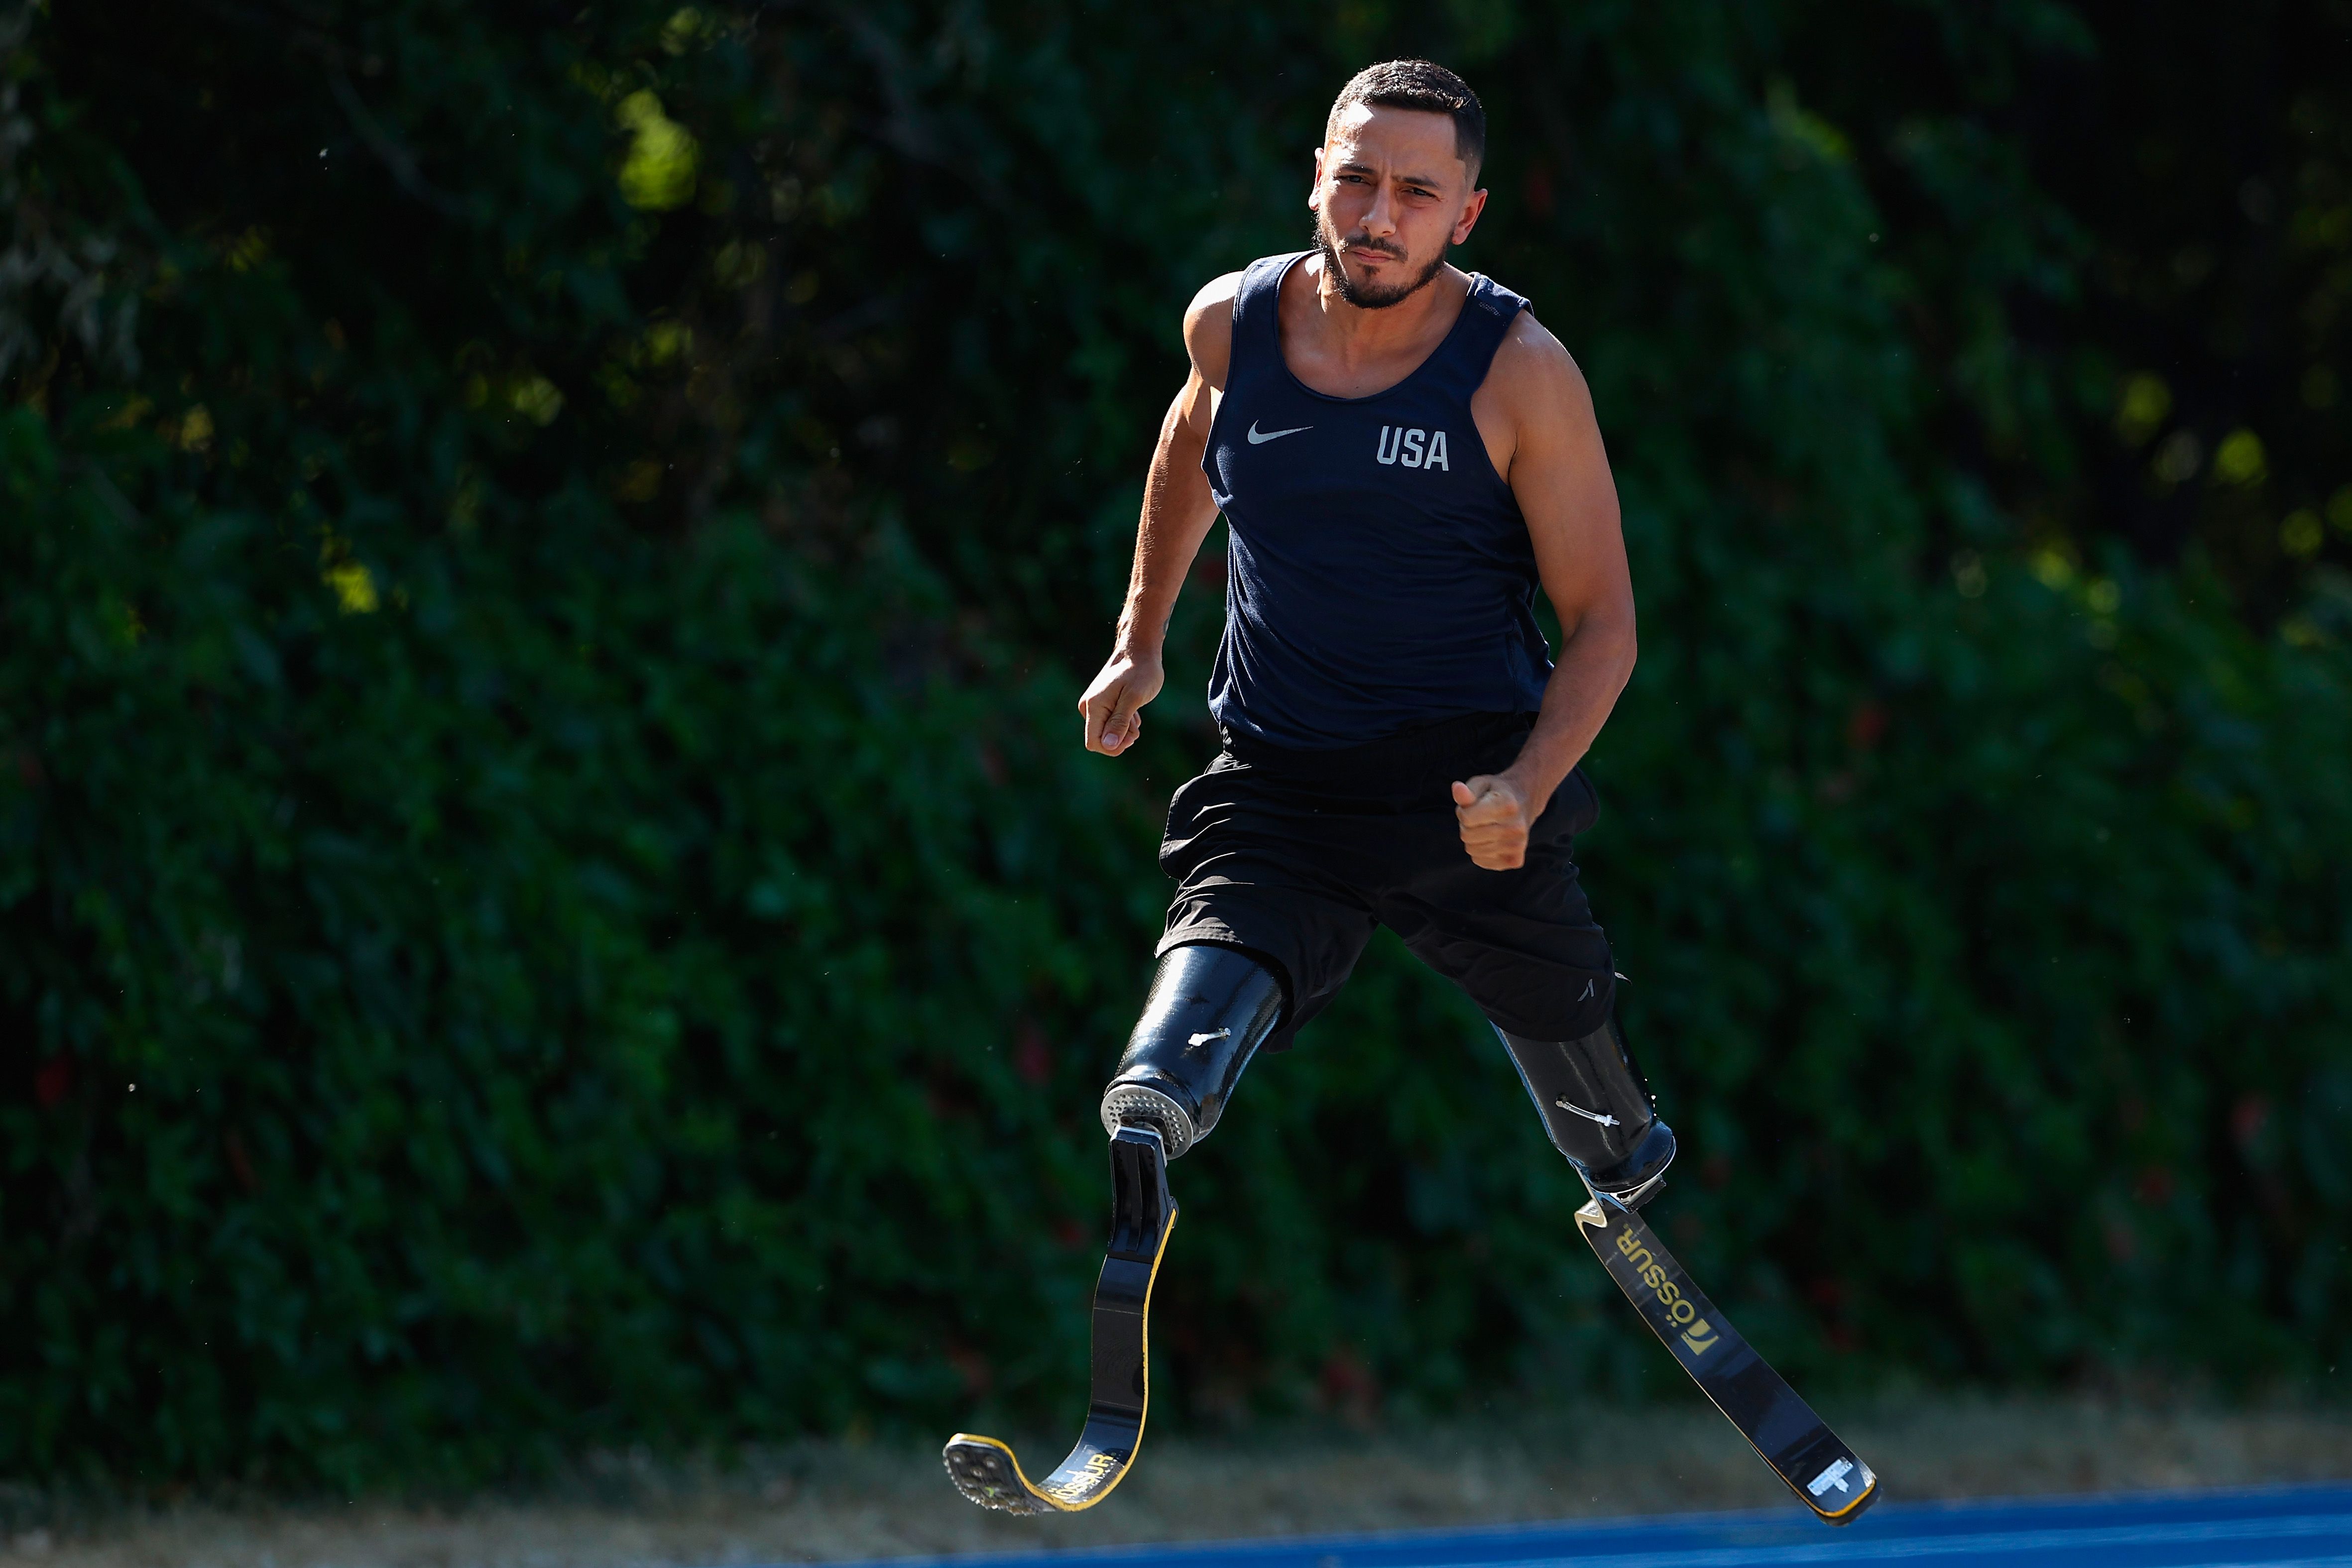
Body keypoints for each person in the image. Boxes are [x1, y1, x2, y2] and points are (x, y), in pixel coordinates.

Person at [1079, 58, 1672, 1203]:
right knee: (1173, 1045)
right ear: (1315, 180)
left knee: (1584, 1060)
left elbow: (1604, 624)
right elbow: (1189, 444)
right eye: (1357, 182)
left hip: (1463, 787)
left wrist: (1530, 782)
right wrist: (1138, 639)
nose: (1378, 217)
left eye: (1415, 193)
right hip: (1280, 771)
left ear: (1466, 212)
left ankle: (1624, 1174)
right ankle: (1156, 1124)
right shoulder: (1233, 326)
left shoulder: (1520, 374)